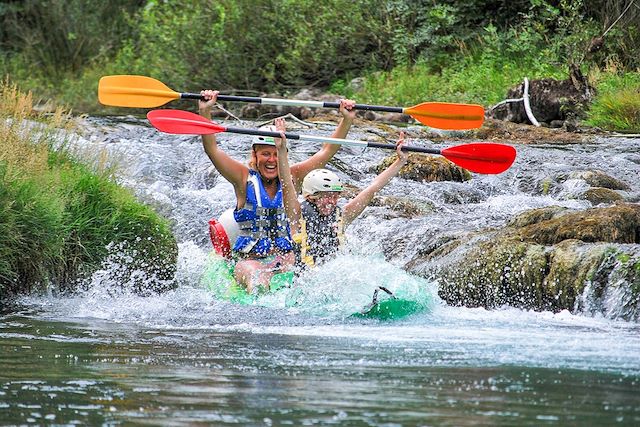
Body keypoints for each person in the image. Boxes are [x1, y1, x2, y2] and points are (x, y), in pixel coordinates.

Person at [198, 90, 356, 293]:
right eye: (265, 154)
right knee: (258, 280)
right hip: (251, 261)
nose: (271, 160)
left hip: (287, 257)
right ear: (254, 155)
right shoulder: (242, 178)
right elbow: (213, 150)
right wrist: (205, 111)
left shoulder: (293, 177)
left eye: (275, 154)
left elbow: (327, 151)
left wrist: (346, 120)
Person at [275, 128, 409, 268]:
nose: (332, 202)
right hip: (304, 280)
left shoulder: (342, 216)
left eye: (335, 196)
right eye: (326, 197)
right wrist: (281, 150)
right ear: (311, 197)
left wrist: (400, 161)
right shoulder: (296, 215)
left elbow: (372, 189)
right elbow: (286, 184)